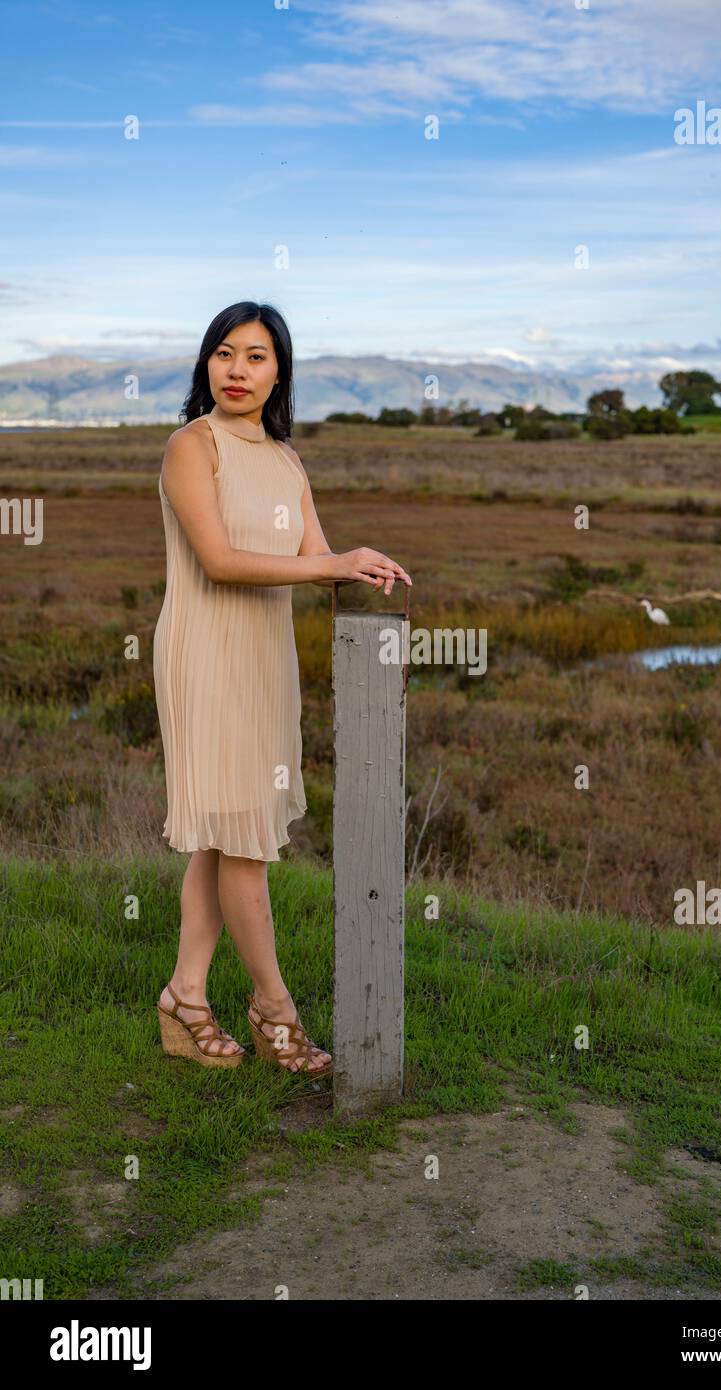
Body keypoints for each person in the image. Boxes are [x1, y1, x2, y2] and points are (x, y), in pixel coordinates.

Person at [152, 301, 411, 1075]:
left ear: (279, 372)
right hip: (204, 654)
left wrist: (364, 569)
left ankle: (186, 998)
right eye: (224, 353)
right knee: (244, 845)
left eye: (256, 357)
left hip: (265, 660)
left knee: (226, 830)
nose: (237, 370)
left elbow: (319, 554)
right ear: (206, 364)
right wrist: (330, 564)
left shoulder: (287, 460)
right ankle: (275, 1010)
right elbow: (222, 562)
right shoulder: (190, 448)